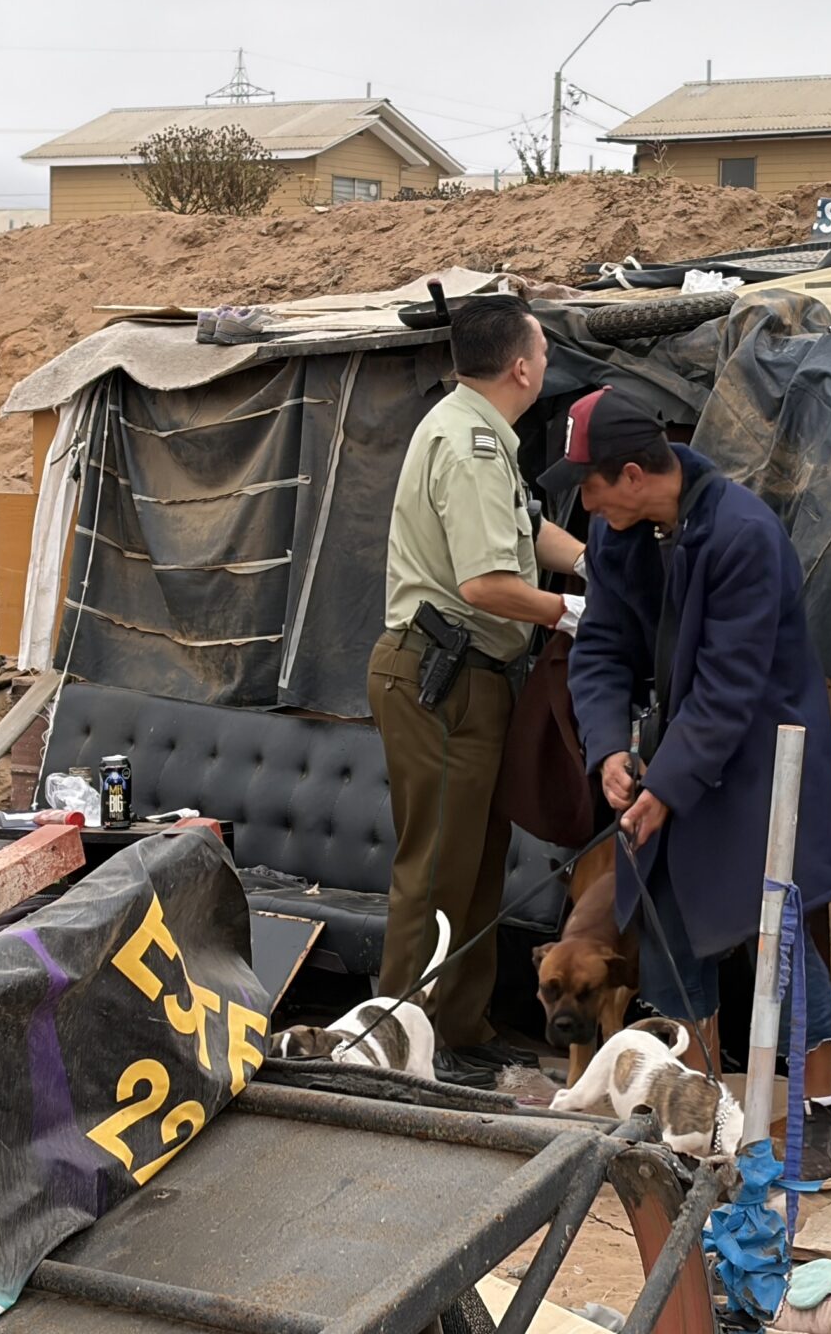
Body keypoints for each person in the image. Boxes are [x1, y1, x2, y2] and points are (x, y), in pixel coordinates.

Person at [552, 385, 831, 1180]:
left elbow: (730, 683)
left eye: (589, 485)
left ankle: (823, 1115)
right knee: (669, 936)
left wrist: (667, 784)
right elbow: (600, 648)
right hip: (672, 756)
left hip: (758, 759)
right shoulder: (615, 532)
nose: (584, 503)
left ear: (631, 475)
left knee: (774, 934)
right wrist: (609, 750)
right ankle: (702, 1117)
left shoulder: (743, 533)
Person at [370, 294, 585, 1083]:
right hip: (442, 677)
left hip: (474, 678)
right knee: (434, 874)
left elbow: (524, 530)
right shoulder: (470, 446)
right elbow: (487, 583)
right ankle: (398, 1048)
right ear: (521, 367)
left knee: (476, 865)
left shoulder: (478, 431)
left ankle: (459, 1029)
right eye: (545, 352)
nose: (547, 365)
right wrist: (572, 612)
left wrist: (590, 562)